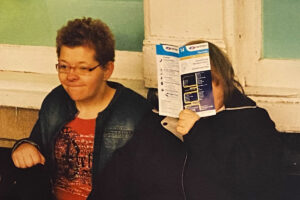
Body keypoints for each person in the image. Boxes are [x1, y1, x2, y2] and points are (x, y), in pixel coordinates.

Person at [89, 40, 284, 200]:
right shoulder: (157, 121)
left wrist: (199, 132)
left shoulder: (251, 118)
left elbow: (255, 180)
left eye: (204, 84)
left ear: (223, 84)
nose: (194, 94)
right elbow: (117, 176)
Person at [11, 17, 152, 199]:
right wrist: (24, 146)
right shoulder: (55, 101)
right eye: (64, 66)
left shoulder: (135, 113)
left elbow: (148, 185)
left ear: (107, 70)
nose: (71, 76)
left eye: (83, 68)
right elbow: (36, 144)